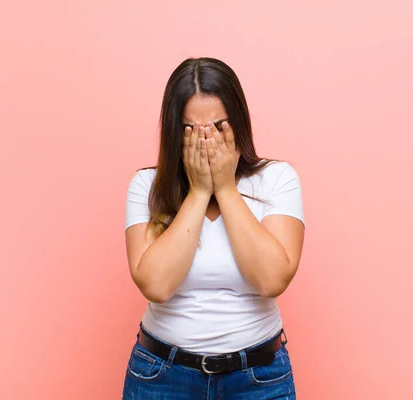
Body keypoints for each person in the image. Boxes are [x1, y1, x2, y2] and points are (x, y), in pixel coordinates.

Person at [122, 57, 305, 400]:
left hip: (258, 378)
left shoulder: (277, 180)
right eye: (192, 130)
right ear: (176, 132)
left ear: (238, 124)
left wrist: (224, 187)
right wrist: (200, 190)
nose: (207, 142)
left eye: (218, 127)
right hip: (163, 376)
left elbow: (272, 279)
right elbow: (156, 285)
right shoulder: (146, 186)